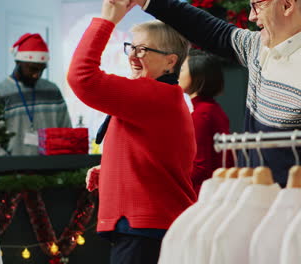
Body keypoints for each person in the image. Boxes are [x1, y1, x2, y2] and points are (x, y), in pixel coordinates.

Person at [136, 0, 301, 186]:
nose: (251, 16)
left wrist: (298, 199)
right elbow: (209, 30)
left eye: (257, 5)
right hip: (264, 205)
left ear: (286, 5)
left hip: (294, 218)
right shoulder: (260, 46)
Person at [67, 0, 197, 262]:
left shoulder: (155, 96)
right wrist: (113, 169)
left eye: (142, 50)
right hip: (149, 226)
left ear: (170, 62)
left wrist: (108, 20)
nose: (132, 56)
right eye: (131, 47)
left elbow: (82, 78)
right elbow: (159, 157)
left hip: (144, 230)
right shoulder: (163, 97)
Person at [0, 33, 71, 156]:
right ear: (18, 62)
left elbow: (66, 130)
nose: (37, 74)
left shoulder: (53, 91)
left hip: (53, 168)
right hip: (12, 170)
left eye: (42, 69)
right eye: (33, 69)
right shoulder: (0, 92)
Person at [179, 49, 232, 195]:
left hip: (201, 195)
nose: (178, 74)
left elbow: (201, 167)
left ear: (197, 74)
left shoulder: (202, 114)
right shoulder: (211, 109)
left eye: (182, 69)